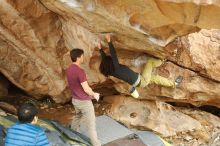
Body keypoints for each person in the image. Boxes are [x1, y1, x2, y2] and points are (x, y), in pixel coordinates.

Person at [98, 34, 182, 98]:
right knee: (150, 62)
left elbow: (105, 59)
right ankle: (162, 61)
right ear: (110, 63)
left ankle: (174, 84)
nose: (112, 61)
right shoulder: (116, 68)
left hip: (140, 81)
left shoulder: (112, 71)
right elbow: (113, 54)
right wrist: (109, 41)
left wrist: (100, 50)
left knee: (156, 78)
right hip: (142, 80)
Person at [66, 48, 101, 146]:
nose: (83, 57)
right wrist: (94, 94)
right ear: (78, 57)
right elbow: (86, 88)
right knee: (91, 124)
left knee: (77, 116)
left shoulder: (69, 69)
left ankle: (72, 134)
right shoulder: (80, 71)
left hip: (75, 99)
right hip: (84, 102)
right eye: (82, 56)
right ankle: (96, 144)